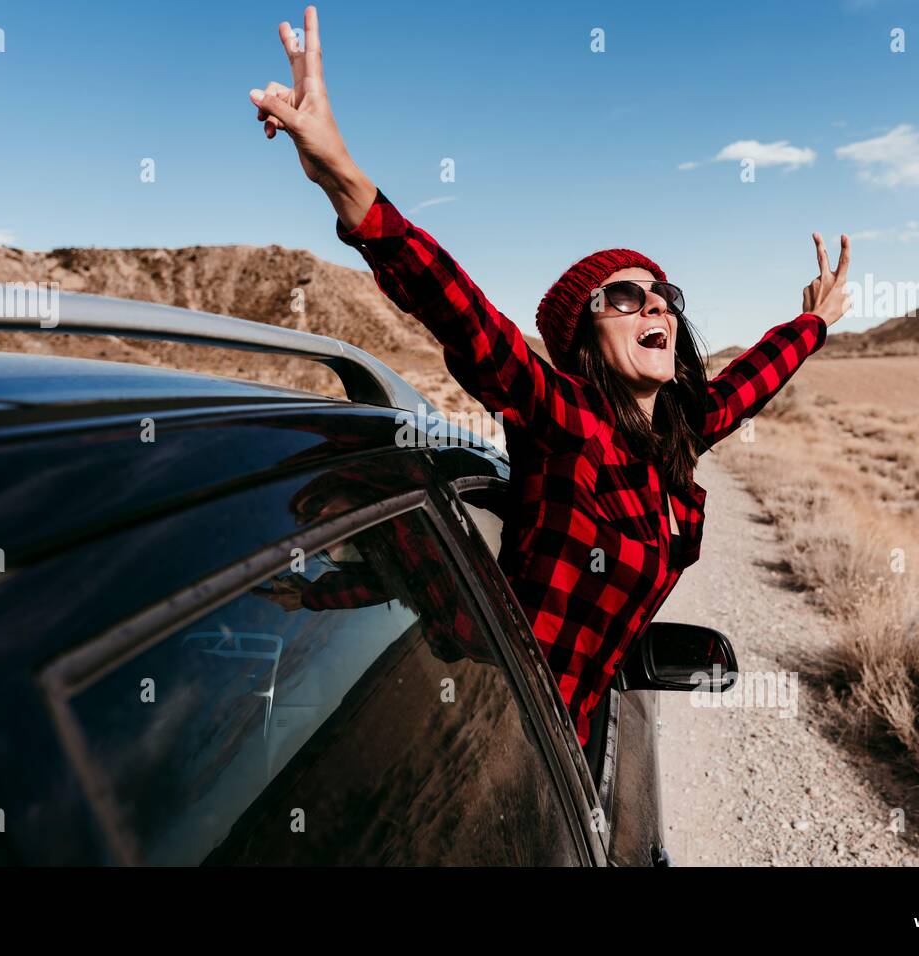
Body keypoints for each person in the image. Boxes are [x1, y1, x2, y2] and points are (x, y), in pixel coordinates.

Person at [248, 6, 852, 746]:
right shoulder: (563, 417)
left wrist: (814, 323)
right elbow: (462, 314)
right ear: (584, 340)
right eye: (625, 297)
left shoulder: (679, 432)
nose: (653, 303)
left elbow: (753, 378)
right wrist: (346, 182)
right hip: (504, 736)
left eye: (662, 295)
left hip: (575, 731)